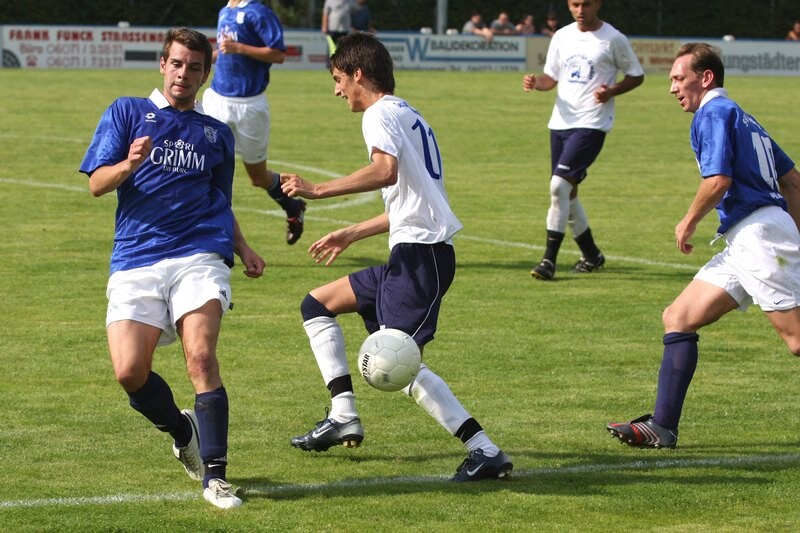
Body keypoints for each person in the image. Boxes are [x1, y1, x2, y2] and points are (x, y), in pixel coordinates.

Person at [280, 32, 513, 482]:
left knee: (398, 363)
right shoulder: (407, 113)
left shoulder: (379, 113)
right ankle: (342, 413)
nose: (337, 91)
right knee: (317, 304)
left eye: (338, 80)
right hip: (413, 252)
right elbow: (409, 202)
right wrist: (351, 232)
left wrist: (318, 189)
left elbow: (384, 171)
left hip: (421, 257)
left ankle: (484, 450)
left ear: (358, 74)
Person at [79, 27, 266, 509]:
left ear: (206, 75)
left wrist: (243, 247)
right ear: (163, 65)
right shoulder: (126, 112)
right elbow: (97, 183)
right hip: (135, 255)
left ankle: (216, 477)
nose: (184, 73)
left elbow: (220, 200)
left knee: (200, 357)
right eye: (177, 63)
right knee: (129, 371)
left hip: (199, 253)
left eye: (195, 67)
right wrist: (129, 165)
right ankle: (183, 431)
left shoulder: (216, 134)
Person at [606, 42, 800, 448]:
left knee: (796, 339)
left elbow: (718, 181)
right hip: (749, 236)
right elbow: (793, 182)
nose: (672, 88)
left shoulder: (712, 113)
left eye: (679, 78)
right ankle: (662, 427)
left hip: (758, 236)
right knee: (679, 316)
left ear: (706, 78)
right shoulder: (744, 118)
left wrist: (688, 221)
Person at [522, 0, 644, 280]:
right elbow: (551, 78)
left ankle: (548, 261)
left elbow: (636, 76)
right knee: (568, 192)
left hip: (592, 124)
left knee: (558, 186)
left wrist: (611, 91)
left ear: (598, 4)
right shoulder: (562, 36)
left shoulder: (613, 39)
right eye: (575, 4)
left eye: (586, 4)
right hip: (560, 122)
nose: (580, 9)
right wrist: (536, 83)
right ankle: (591, 255)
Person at [203, 0, 307, 246]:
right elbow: (224, 52)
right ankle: (212, 237)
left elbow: (278, 54)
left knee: (258, 177)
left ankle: (293, 206)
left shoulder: (258, 13)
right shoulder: (225, 11)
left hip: (250, 106)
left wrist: (238, 47)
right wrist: (201, 59)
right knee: (206, 170)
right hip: (217, 100)